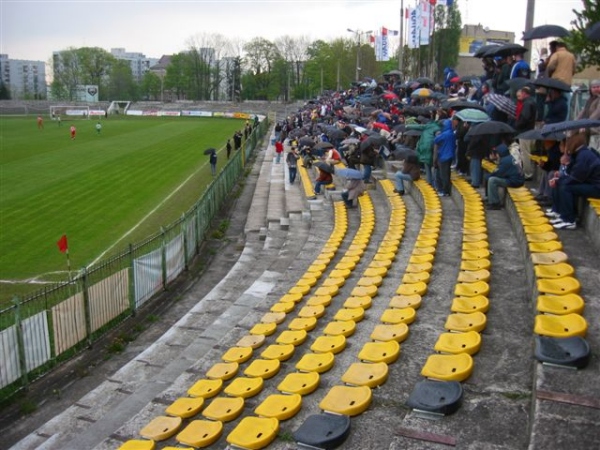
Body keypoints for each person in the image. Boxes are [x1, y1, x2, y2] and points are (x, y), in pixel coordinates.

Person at [547, 131, 600, 229]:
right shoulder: (579, 154)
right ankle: (561, 213)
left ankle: (569, 220)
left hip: (596, 187)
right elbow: (572, 172)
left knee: (566, 187)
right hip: (591, 183)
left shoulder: (584, 155)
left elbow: (576, 177)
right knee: (561, 181)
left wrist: (559, 180)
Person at [484, 137, 525, 209]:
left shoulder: (505, 161)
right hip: (517, 179)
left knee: (492, 180)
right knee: (492, 178)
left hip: (516, 181)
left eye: (497, 153)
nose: (496, 155)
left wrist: (488, 176)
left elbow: (499, 173)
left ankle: (495, 203)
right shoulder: (508, 158)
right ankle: (492, 199)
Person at [405, 119, 441, 187]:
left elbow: (418, 126)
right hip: (432, 148)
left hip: (425, 149)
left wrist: (407, 126)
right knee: (434, 167)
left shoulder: (428, 126)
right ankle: (434, 183)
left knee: (428, 166)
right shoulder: (438, 128)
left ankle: (430, 182)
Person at [514, 86, 537, 180]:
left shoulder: (527, 104)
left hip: (524, 131)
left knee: (525, 154)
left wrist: (517, 124)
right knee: (526, 152)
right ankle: (527, 172)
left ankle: (527, 173)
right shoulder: (532, 102)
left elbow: (525, 117)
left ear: (524, 93)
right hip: (529, 130)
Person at [433, 119, 456, 197]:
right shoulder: (451, 133)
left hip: (444, 156)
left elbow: (435, 140)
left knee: (444, 175)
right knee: (447, 174)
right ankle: (446, 190)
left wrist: (438, 134)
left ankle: (445, 191)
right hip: (450, 156)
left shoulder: (445, 134)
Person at [576, 79, 600, 150]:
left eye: (598, 87)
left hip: (596, 126)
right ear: (590, 89)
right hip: (588, 124)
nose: (596, 89)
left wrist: (586, 123)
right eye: (594, 87)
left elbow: (597, 113)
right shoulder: (590, 99)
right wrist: (575, 121)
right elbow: (583, 111)